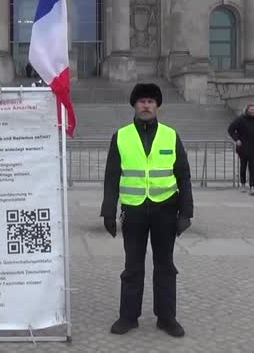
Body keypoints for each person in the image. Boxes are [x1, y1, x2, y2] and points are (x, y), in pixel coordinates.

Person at [100, 83, 194, 338]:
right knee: (133, 266)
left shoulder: (171, 135)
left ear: (158, 106)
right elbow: (111, 177)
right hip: (134, 211)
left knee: (165, 266)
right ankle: (128, 316)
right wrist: (108, 212)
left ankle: (166, 318)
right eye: (141, 101)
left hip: (166, 208)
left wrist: (187, 212)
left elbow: (183, 175)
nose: (146, 105)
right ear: (134, 105)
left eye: (151, 101)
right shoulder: (121, 136)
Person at [227, 103, 254, 195]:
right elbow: (231, 129)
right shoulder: (240, 119)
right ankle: (243, 184)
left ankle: (252, 186)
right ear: (247, 110)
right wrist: (237, 139)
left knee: (252, 167)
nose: (253, 111)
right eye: (251, 109)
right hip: (243, 147)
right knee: (243, 166)